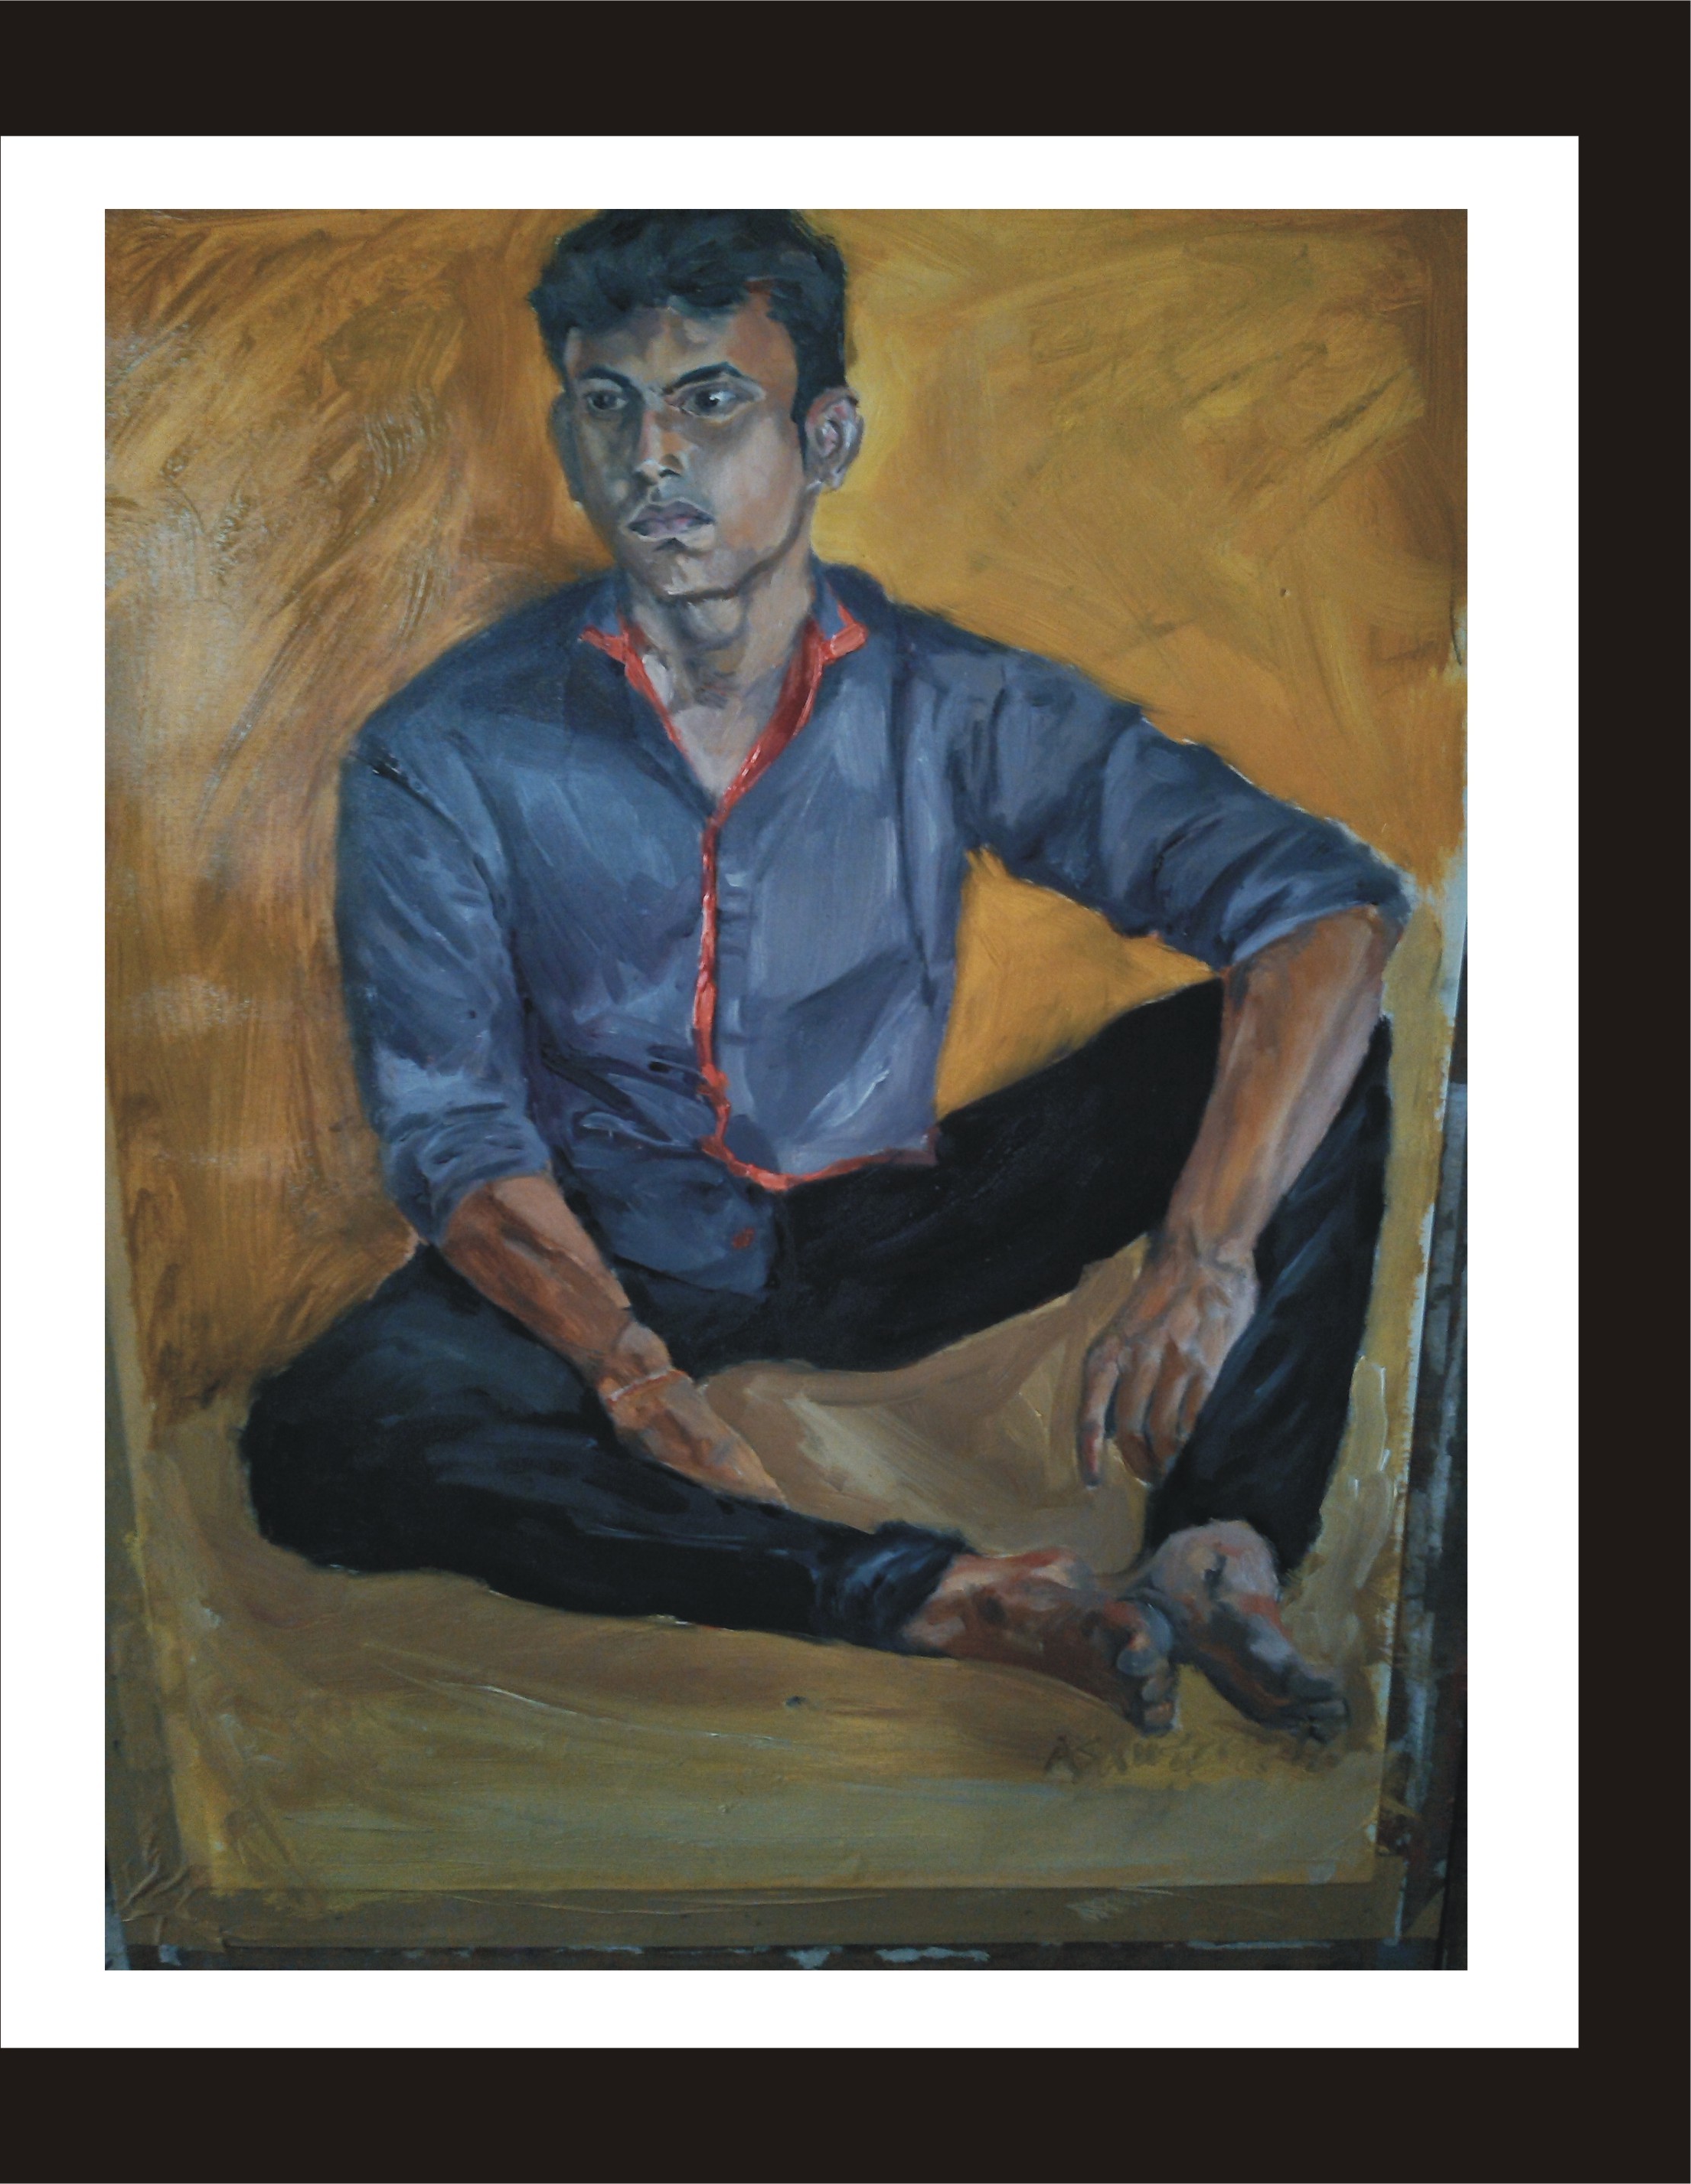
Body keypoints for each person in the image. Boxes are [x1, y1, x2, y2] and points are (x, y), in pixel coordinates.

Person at [241, 211, 1409, 1743]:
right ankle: (931, 1596)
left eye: (710, 401)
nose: (652, 456)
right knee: (324, 1438)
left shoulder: (944, 693)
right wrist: (624, 1367)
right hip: (616, 1247)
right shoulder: (440, 750)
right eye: (609, 408)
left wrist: (1206, 1254)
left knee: (1311, 1044)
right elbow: (454, 1133)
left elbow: (1326, 903)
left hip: (891, 1221)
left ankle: (1219, 1544)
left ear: (826, 437)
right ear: (570, 439)